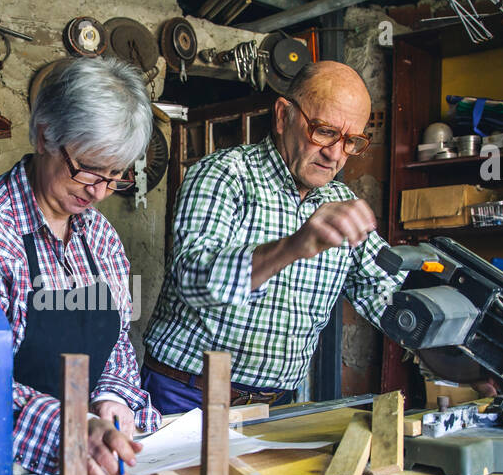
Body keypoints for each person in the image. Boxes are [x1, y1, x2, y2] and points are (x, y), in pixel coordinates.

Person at [0, 56, 159, 475]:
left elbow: (117, 346)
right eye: (89, 168)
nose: (98, 192)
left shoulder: (101, 235)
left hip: (92, 462)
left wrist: (111, 398)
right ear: (44, 136)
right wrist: (71, 431)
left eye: (115, 176)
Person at [142, 60, 402, 413]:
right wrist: (294, 246)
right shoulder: (224, 173)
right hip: (187, 395)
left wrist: (454, 348)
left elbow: (385, 293)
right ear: (283, 116)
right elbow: (194, 279)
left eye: (351, 141)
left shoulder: (340, 203)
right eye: (324, 131)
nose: (336, 154)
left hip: (276, 406)